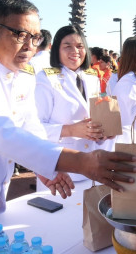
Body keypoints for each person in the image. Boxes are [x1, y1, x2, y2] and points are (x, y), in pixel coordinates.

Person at [0, 0, 136, 230]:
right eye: (20, 35)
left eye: (35, 37)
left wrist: (45, 167)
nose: (30, 45)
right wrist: (82, 162)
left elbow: (30, 126)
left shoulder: (24, 75)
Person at [35, 25, 106, 183]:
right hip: (61, 169)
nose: (75, 51)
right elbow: (35, 128)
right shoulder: (46, 79)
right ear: (56, 50)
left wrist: (103, 132)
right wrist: (71, 130)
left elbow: (93, 118)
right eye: (67, 46)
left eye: (80, 46)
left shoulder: (92, 78)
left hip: (92, 165)